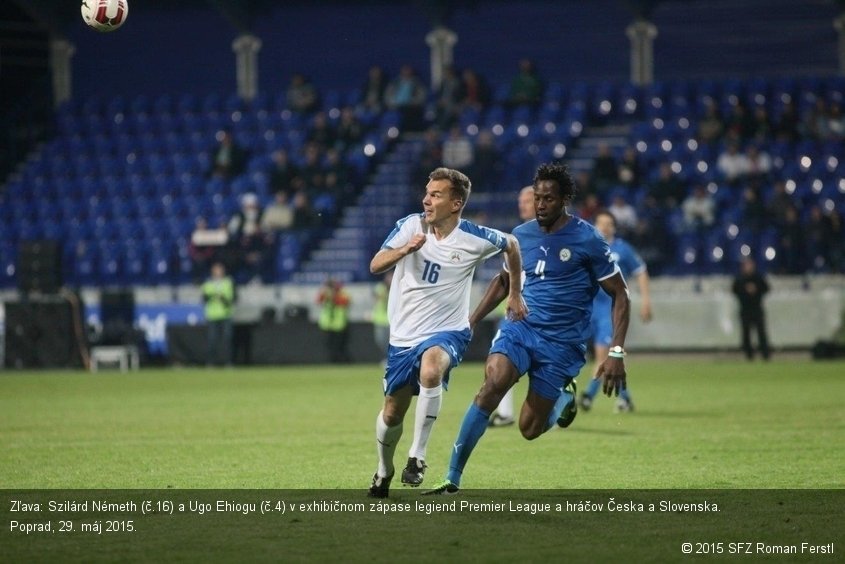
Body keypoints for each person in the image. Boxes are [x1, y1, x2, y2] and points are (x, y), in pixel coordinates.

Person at [425, 163, 630, 494]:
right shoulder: (521, 235)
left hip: (561, 345)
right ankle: (453, 476)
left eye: (548, 198)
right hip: (521, 328)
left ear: (564, 199)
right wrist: (471, 321)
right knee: (493, 381)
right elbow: (505, 280)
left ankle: (564, 399)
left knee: (529, 428)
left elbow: (620, 293)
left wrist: (617, 351)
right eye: (537, 198)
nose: (541, 205)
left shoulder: (587, 239)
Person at [367, 167, 524, 498]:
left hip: (449, 330)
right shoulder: (410, 226)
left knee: (432, 366)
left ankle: (417, 456)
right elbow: (376, 264)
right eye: (426, 193)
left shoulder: (473, 238)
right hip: (404, 337)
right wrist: (405, 250)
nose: (426, 199)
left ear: (456, 203)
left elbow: (512, 244)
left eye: (435, 195)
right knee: (392, 411)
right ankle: (384, 469)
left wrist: (515, 293)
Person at [579, 210, 652, 413]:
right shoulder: (588, 247)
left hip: (609, 311)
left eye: (608, 223)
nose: (604, 226)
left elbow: (641, 271)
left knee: (606, 354)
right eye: (600, 222)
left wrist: (646, 301)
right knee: (601, 357)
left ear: (614, 227)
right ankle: (624, 399)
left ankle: (588, 396)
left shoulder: (622, 249)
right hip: (587, 308)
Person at [488, 185, 536, 428]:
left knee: (546, 363)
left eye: (527, 199)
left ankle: (555, 407)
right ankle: (505, 413)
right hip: (516, 312)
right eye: (520, 200)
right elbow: (504, 278)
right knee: (502, 356)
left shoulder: (555, 235)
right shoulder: (517, 237)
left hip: (543, 310)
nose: (522, 204)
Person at [731, 258, 771, 360]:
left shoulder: (758, 277)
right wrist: (745, 290)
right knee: (746, 334)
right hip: (745, 310)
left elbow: (766, 288)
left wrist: (755, 289)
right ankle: (749, 355)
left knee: (761, 333)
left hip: (757, 309)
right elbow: (734, 290)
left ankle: (765, 354)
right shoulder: (739, 279)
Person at [202, 262, 235, 366]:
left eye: (220, 269)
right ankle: (210, 362)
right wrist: (213, 296)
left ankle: (228, 362)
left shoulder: (228, 282)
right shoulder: (208, 284)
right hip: (212, 315)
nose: (218, 272)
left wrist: (221, 298)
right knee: (212, 340)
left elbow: (232, 299)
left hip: (226, 315)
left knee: (227, 339)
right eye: (216, 269)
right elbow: (204, 298)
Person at [316, 278, 351, 363]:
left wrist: (333, 296)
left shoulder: (343, 293)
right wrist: (325, 293)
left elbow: (345, 302)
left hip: (339, 324)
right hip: (327, 324)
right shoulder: (325, 293)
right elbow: (318, 301)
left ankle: (340, 361)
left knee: (340, 345)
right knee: (329, 345)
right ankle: (332, 361)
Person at [371, 271, 392, 365]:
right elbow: (376, 297)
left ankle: (390, 358)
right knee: (380, 341)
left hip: (391, 320)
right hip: (380, 319)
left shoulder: (396, 287)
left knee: (391, 342)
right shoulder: (380, 287)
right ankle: (385, 357)